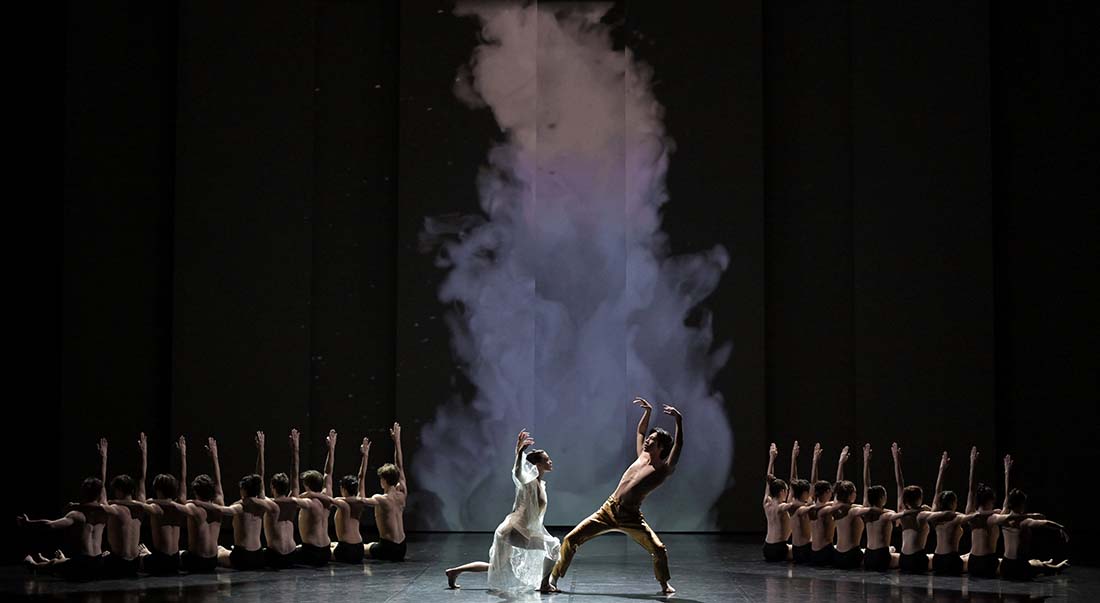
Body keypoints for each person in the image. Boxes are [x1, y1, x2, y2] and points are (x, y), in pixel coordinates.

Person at [550, 398, 682, 594]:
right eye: (649, 438)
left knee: (659, 549)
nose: (647, 440)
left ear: (661, 447)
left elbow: (678, 445)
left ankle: (664, 584)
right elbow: (639, 432)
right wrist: (648, 412)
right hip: (608, 510)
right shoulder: (642, 456)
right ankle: (553, 579)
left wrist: (678, 421)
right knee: (571, 539)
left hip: (631, 517)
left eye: (652, 440)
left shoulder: (663, 469)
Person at [445, 429, 559, 592]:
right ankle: (545, 585)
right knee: (554, 545)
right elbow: (518, 473)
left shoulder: (540, 484)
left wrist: (518, 453)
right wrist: (519, 454)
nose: (551, 462)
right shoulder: (529, 482)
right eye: (547, 460)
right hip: (514, 529)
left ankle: (454, 571)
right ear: (538, 465)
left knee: (496, 566)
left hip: (513, 530)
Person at [18, 476, 108, 581]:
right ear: (99, 494)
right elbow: (103, 498)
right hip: (98, 562)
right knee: (65, 563)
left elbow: (50, 525)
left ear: (83, 492)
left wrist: (28, 523)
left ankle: (34, 565)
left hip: (81, 563)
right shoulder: (105, 513)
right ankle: (59, 560)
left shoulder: (76, 515)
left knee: (51, 565)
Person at [218, 432, 278, 571]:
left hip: (243, 557)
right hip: (258, 557)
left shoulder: (240, 506)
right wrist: (261, 450)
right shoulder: (262, 504)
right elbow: (260, 476)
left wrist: (199, 503)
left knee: (219, 549)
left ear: (243, 490)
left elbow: (223, 510)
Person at [180, 437, 238, 573]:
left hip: (195, 561)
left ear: (195, 492)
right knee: (219, 548)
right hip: (212, 562)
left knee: (174, 555)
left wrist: (183, 455)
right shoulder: (219, 505)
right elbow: (218, 482)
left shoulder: (193, 507)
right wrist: (214, 457)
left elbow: (182, 486)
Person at [990, 489, 1070, 580]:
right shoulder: (1024, 522)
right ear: (1021, 504)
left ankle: (1045, 563)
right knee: (1039, 566)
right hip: (1018, 567)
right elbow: (1045, 523)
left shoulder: (1003, 519)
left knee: (1034, 562)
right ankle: (1056, 567)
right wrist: (1061, 527)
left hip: (1005, 566)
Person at [142, 434, 191, 575]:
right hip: (174, 561)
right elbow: (183, 479)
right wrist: (183, 454)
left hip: (159, 561)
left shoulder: (155, 507)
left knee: (135, 558)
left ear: (157, 489)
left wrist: (144, 453)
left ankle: (146, 554)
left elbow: (141, 480)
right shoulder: (179, 505)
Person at [893, 443, 942, 573]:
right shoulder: (923, 513)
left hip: (904, 560)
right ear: (919, 498)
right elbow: (938, 493)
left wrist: (896, 459)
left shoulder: (902, 511)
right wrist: (942, 469)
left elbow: (899, 484)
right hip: (917, 560)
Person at [363, 422, 408, 562]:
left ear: (383, 480)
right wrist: (397, 442)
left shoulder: (380, 499)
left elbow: (360, 500)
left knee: (355, 547)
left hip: (388, 549)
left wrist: (364, 457)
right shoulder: (402, 494)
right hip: (402, 548)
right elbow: (400, 466)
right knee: (366, 545)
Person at [291, 428, 336, 567]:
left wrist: (296, 450)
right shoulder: (327, 496)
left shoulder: (308, 502)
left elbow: (293, 477)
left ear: (306, 485)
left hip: (311, 553)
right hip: (325, 552)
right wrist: (331, 450)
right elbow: (328, 473)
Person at [965, 452, 1011, 578]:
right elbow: (1007, 500)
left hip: (973, 563)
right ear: (990, 501)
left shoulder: (971, 514)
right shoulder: (993, 517)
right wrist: (1007, 473)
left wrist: (972, 464)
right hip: (988, 563)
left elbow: (971, 490)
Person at [260, 430, 299, 569]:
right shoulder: (293, 501)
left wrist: (261, 449)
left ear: (272, 487)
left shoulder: (270, 504)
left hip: (274, 556)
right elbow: (295, 475)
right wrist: (295, 449)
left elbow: (260, 477)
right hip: (292, 555)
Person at [331, 436, 372, 564]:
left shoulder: (341, 502)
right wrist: (365, 456)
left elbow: (326, 498)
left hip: (346, 549)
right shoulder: (360, 501)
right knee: (331, 544)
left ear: (343, 488)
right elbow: (362, 477)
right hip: (359, 548)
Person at [862, 444, 900, 571]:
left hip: (868, 556)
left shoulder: (866, 511)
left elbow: (866, 484)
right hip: (881, 557)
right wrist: (896, 460)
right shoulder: (887, 515)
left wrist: (866, 460)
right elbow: (900, 484)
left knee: (892, 548)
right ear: (882, 497)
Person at [762, 443, 793, 562]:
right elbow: (795, 504)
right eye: (786, 490)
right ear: (782, 491)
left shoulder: (767, 503)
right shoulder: (782, 507)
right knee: (806, 550)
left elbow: (768, 481)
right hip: (779, 549)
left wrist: (771, 459)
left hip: (767, 548)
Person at [787, 441, 813, 564]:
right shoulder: (805, 506)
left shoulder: (790, 504)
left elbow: (792, 480)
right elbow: (813, 482)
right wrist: (815, 461)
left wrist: (793, 458)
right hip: (806, 550)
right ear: (804, 493)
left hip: (796, 550)